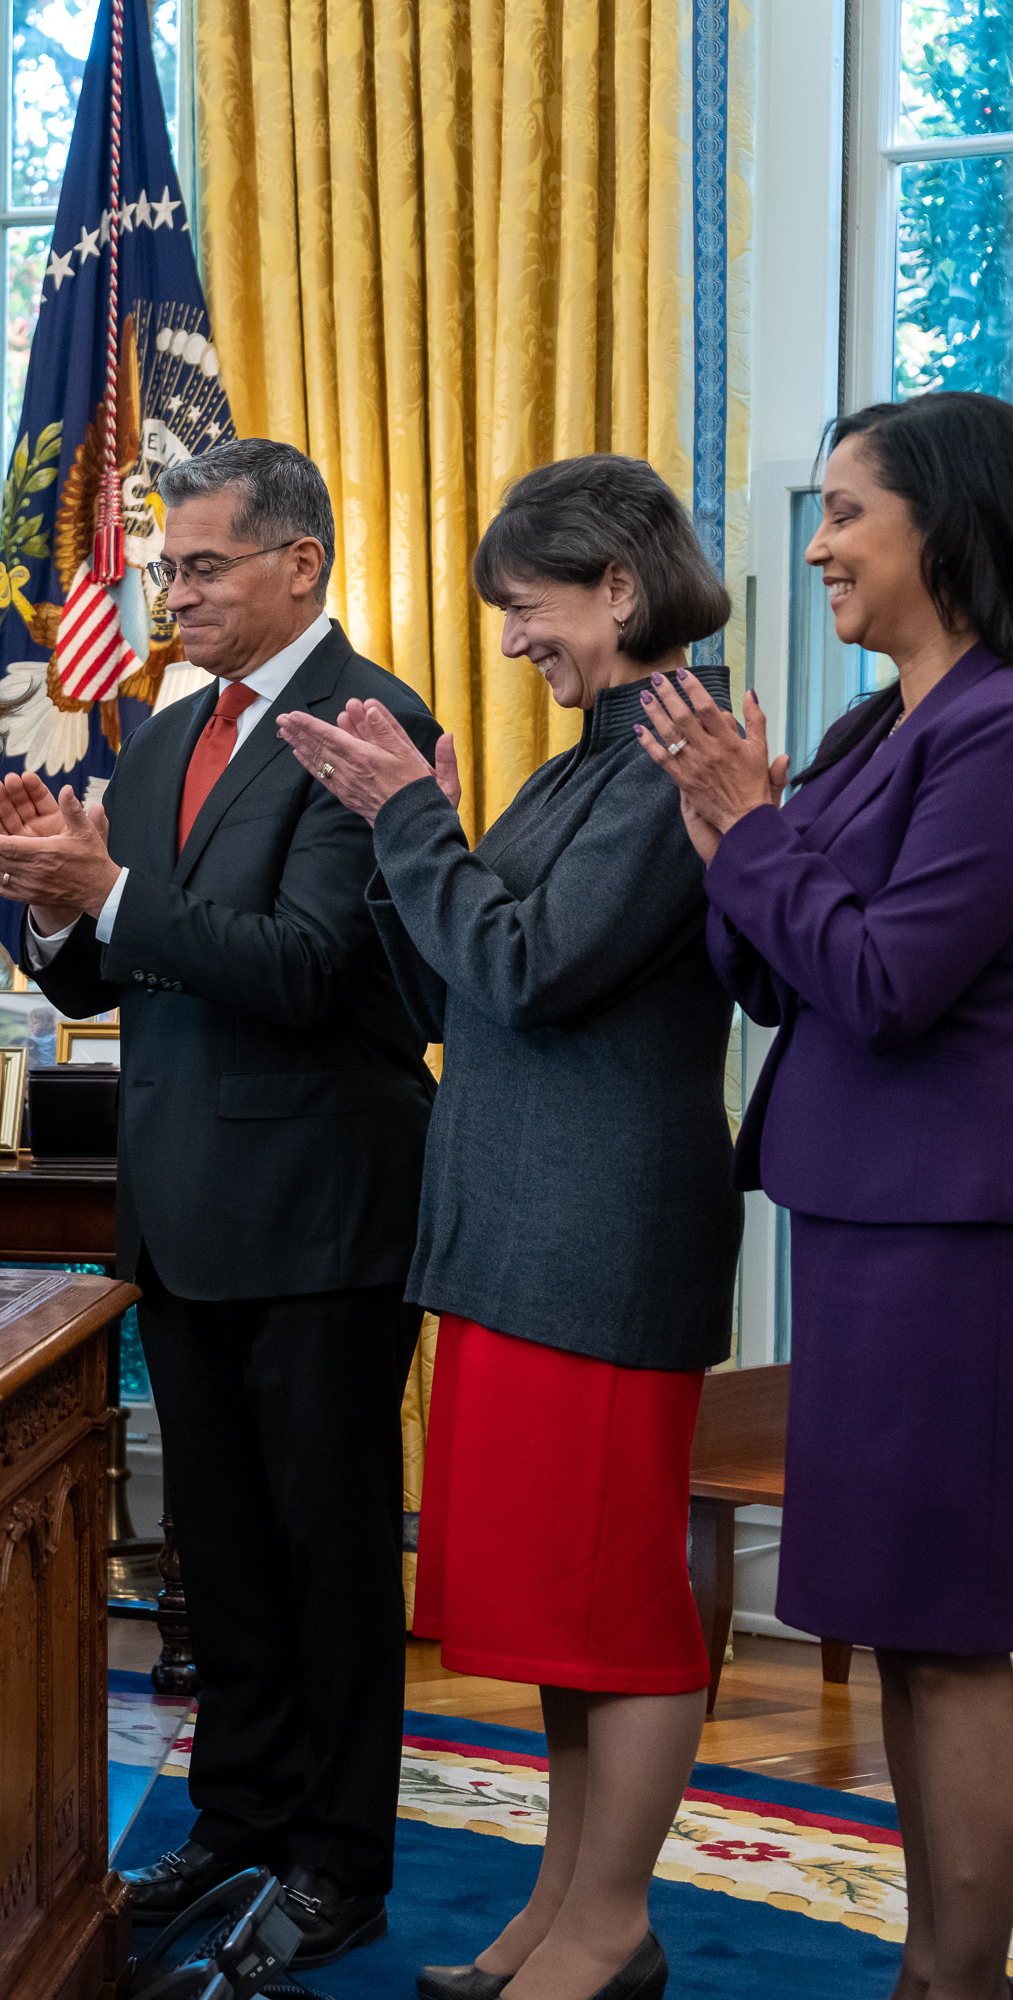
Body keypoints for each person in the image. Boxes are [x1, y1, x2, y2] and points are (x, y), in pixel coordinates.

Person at [0, 436, 435, 1967]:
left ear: (300, 563)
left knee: (329, 1553)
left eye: (204, 565)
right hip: (181, 1201)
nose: (177, 590)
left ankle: (337, 1865)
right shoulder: (161, 733)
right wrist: (45, 892)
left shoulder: (370, 726)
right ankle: (237, 1819)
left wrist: (110, 894)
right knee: (217, 1551)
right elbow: (113, 968)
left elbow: (308, 968)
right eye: (168, 567)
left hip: (318, 1208)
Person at [281, 455, 739, 2000]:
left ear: (621, 587)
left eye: (526, 607)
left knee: (620, 1607)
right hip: (516, 1229)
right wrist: (411, 837)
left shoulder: (681, 753)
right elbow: (463, 996)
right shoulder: (578, 768)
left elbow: (537, 970)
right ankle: (565, 1906)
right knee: (560, 1607)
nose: (510, 642)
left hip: (600, 1237)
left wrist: (416, 823)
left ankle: (611, 1927)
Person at [640, 390, 1013, 2000]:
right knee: (918, 1622)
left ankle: (953, 1978)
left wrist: (754, 834)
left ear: (949, 521)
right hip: (869, 1223)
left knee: (951, 1628)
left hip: (954, 1233)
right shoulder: (879, 726)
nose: (818, 545)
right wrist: (729, 834)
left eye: (849, 511)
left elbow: (886, 981)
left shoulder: (998, 727)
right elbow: (775, 972)